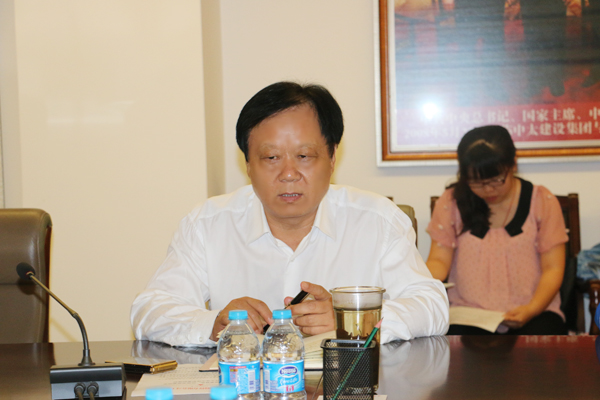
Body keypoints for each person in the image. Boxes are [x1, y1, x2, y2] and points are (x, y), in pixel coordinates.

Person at [131, 81, 449, 346]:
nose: (288, 173)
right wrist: (214, 323)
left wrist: (351, 320)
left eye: (304, 156)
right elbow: (150, 310)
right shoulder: (207, 224)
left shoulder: (379, 220)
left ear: (332, 157)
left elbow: (432, 306)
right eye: (271, 157)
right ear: (248, 164)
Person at [426, 125, 568, 335]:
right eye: (477, 182)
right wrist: (417, 280)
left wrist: (531, 309)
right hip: (468, 314)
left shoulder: (541, 201)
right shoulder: (452, 202)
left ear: (513, 165)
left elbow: (553, 268)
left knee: (542, 343)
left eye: (496, 180)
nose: (488, 189)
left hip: (535, 310)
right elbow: (439, 261)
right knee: (455, 347)